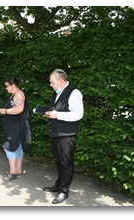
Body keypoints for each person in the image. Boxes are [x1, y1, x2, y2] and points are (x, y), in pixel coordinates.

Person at [42, 69, 84, 204]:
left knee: (66, 163)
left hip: (66, 136)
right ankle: (59, 185)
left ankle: (64, 191)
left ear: (60, 80)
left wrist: (57, 115)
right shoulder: (56, 93)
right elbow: (58, 110)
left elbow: (78, 114)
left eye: (52, 82)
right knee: (59, 161)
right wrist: (49, 113)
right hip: (56, 133)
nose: (50, 85)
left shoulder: (74, 93)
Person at [0, 76, 32, 181]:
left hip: (16, 125)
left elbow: (19, 109)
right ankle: (18, 169)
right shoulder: (15, 94)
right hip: (16, 125)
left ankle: (12, 172)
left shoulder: (19, 94)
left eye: (7, 86)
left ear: (13, 85)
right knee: (17, 146)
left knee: (9, 146)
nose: (6, 88)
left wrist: (5, 111)